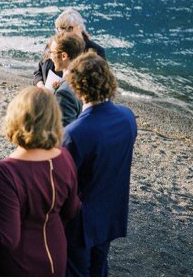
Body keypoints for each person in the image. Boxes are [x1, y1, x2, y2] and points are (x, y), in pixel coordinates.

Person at [0, 87, 81, 276]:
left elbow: (6, 237)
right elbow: (71, 209)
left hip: (18, 262)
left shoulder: (7, 171)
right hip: (55, 253)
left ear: (16, 118)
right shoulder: (64, 157)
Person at [62, 53, 137, 276]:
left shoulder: (74, 133)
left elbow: (64, 182)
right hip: (112, 210)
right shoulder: (127, 118)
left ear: (77, 87)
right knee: (100, 268)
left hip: (81, 220)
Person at [49, 33, 85, 125]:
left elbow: (65, 131)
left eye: (52, 52)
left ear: (64, 56)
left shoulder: (64, 92)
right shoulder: (85, 77)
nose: (50, 56)